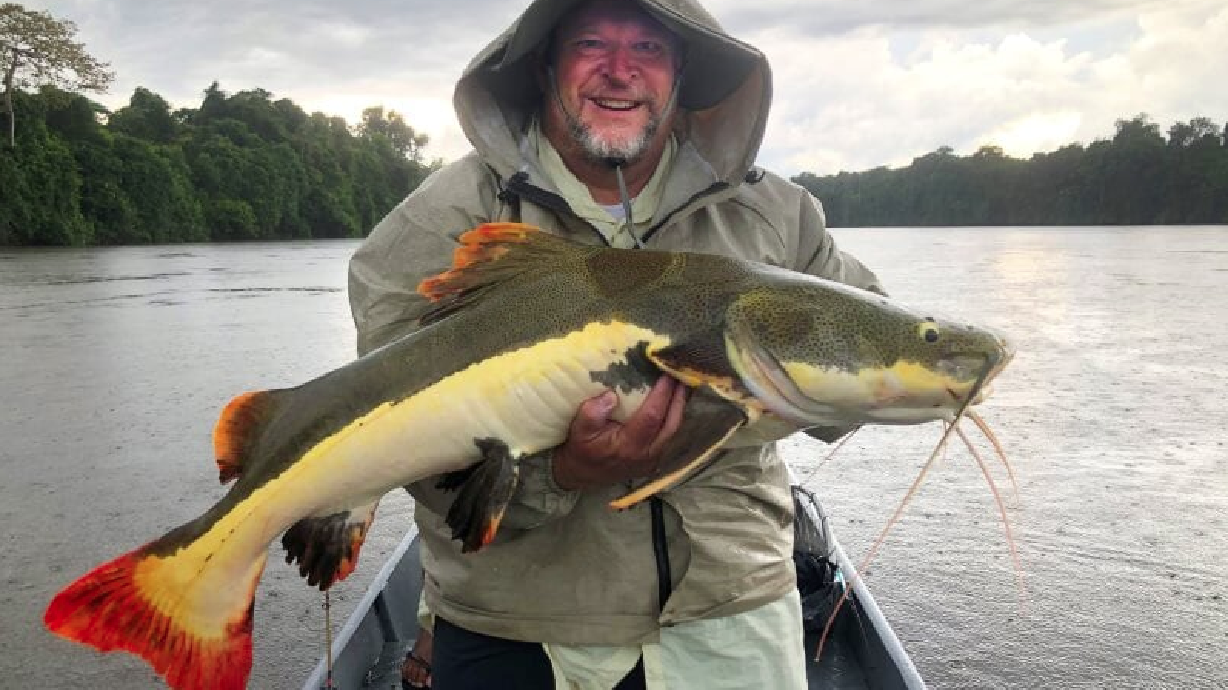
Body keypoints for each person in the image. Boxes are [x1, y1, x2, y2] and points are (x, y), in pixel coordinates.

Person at [348, 0, 884, 687]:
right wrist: (560, 474)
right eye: (591, 43)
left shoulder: (778, 216)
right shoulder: (443, 220)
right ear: (545, 65)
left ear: (681, 72)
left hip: (731, 614)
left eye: (649, 50)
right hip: (514, 622)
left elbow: (862, 372)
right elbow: (387, 438)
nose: (620, 71)